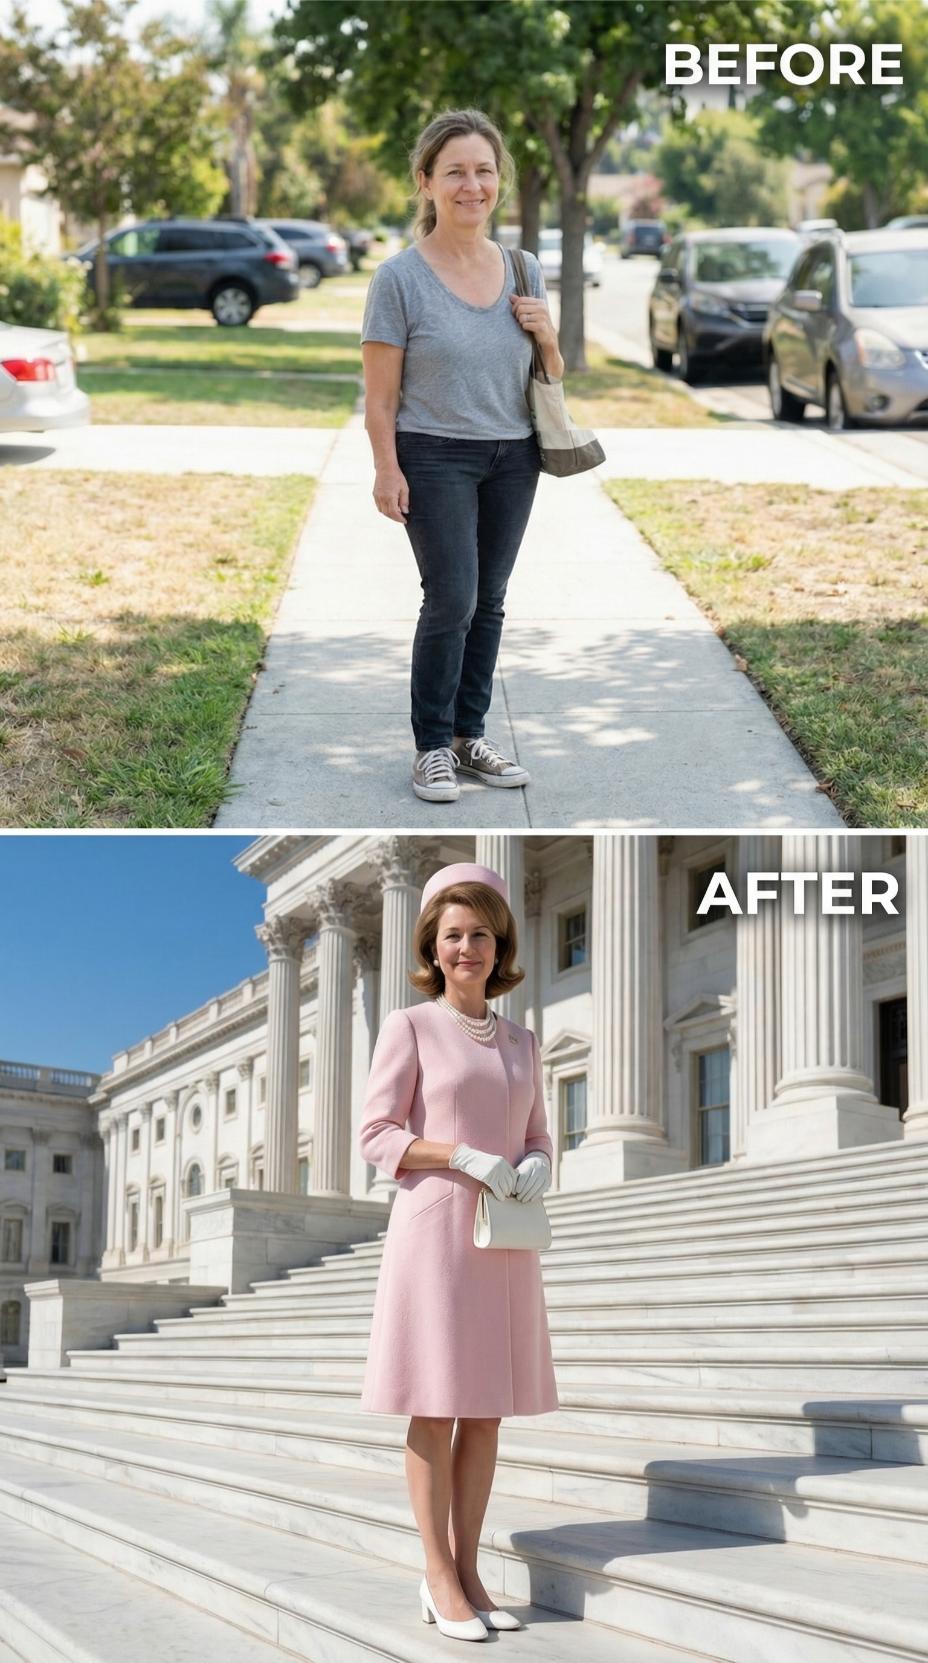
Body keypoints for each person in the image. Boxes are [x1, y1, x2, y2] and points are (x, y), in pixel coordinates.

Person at [357, 862, 557, 1640]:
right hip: (436, 1231)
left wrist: (538, 1159)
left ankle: (470, 1566)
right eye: (452, 936)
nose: (466, 946)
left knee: (486, 1413)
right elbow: (376, 1133)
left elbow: (537, 1133)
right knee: (434, 1403)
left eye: (479, 933)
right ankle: (436, 1572)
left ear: (498, 941)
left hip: (503, 1237)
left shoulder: (522, 1039)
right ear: (432, 949)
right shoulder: (410, 1025)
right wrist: (459, 1154)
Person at [361, 109, 564, 805]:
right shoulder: (399, 280)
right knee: (452, 596)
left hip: (515, 454)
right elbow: (380, 398)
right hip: (435, 453)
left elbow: (550, 373)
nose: (471, 185)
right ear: (425, 183)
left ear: (498, 181)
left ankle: (469, 735)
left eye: (483, 171)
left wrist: (548, 334)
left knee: (492, 600)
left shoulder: (524, 268)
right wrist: (387, 467)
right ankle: (430, 747)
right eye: (455, 172)